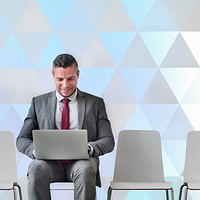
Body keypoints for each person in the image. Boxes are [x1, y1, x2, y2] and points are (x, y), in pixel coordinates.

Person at [16, 53, 115, 200]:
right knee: (35, 168)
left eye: (70, 79)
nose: (65, 85)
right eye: (60, 79)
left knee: (86, 168)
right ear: (53, 75)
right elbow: (22, 139)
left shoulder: (95, 103)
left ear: (78, 74)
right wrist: (36, 151)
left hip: (81, 163)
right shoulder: (39, 103)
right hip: (49, 164)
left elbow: (108, 140)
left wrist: (88, 148)